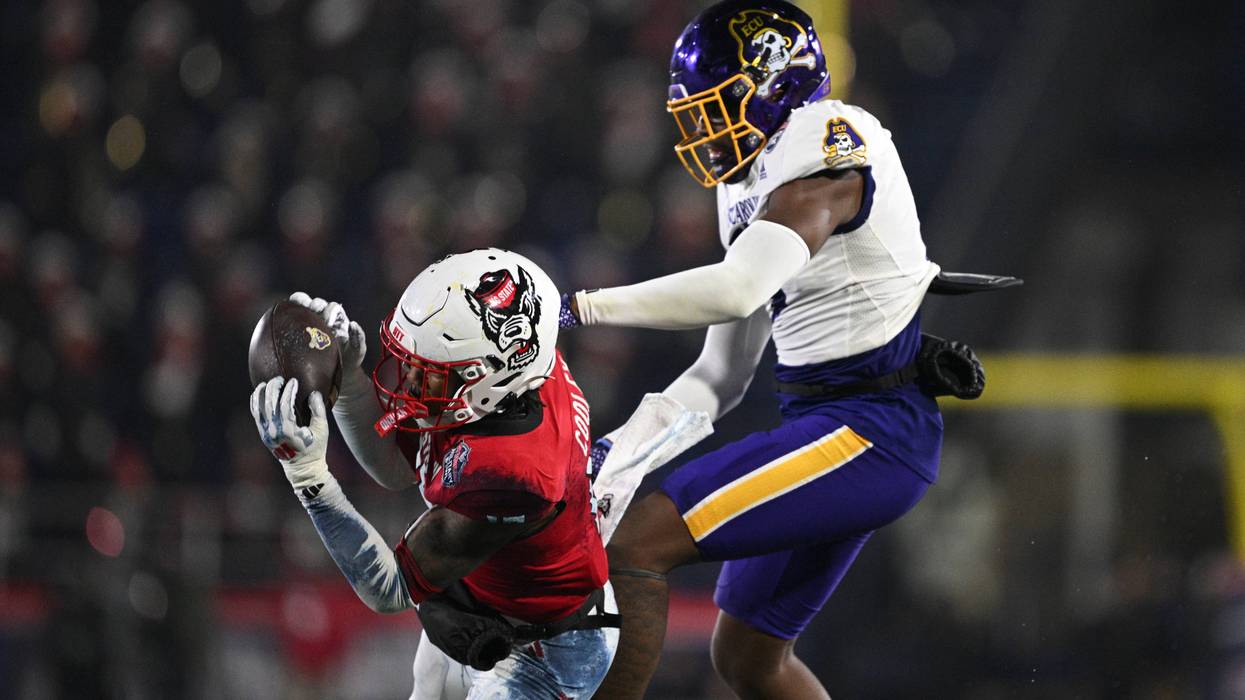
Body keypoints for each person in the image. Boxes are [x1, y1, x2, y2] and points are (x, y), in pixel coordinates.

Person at [562, 1, 962, 697]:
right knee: (747, 657)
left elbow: (737, 289)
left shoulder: (829, 146)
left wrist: (581, 306)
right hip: (829, 424)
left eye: (716, 109)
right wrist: (619, 451)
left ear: (772, 87)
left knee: (636, 545)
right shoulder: (750, 180)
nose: (703, 132)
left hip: (869, 430)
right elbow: (718, 375)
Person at [249, 249, 618, 699]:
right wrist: (348, 381)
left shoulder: (512, 472)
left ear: (487, 378)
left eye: (429, 373)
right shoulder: (517, 369)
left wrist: (308, 477)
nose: (406, 381)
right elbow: (396, 467)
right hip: (487, 600)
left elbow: (389, 589)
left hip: (547, 649)